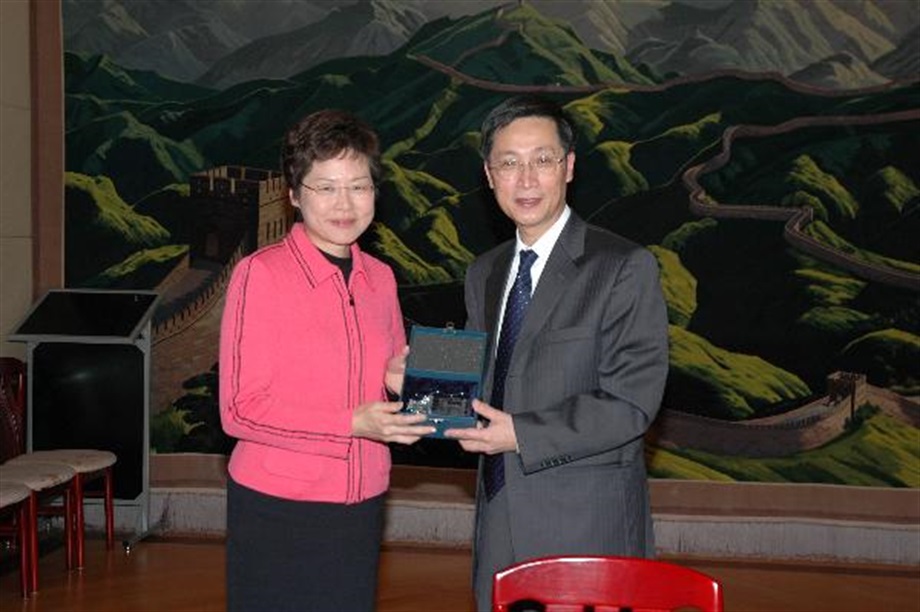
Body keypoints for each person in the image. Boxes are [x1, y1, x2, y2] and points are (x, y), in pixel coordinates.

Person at [445, 95, 670, 610]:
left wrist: (519, 433)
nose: (525, 179)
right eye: (509, 163)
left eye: (542, 160)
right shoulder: (485, 271)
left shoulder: (622, 267)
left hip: (585, 528)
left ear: (568, 168)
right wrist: (418, 380)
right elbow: (482, 380)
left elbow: (630, 404)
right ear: (488, 174)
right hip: (499, 518)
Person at [219, 109, 434, 612]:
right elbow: (240, 410)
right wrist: (351, 422)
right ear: (294, 195)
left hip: (361, 499)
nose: (345, 204)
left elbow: (384, 371)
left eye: (358, 187)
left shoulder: (379, 276)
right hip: (280, 505)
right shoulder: (260, 275)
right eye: (325, 188)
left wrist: (405, 382)